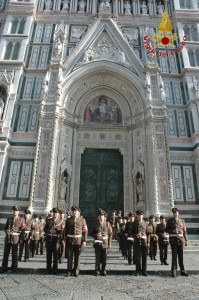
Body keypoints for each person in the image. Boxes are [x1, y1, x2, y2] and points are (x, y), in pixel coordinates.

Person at [65, 205, 87, 276]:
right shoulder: (68, 220)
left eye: (76, 211)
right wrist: (63, 239)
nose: (74, 212)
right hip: (70, 240)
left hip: (78, 240)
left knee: (77, 256)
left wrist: (84, 240)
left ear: (79, 212)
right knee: (69, 255)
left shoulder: (82, 220)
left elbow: (85, 231)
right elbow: (65, 230)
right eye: (73, 211)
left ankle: (76, 270)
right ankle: (69, 270)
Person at [165, 207, 188, 277]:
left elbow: (184, 231)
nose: (175, 214)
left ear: (178, 213)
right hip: (173, 240)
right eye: (174, 213)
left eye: (176, 213)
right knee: (174, 256)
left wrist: (186, 240)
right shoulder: (169, 221)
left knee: (181, 256)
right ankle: (174, 270)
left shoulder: (182, 221)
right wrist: (172, 231)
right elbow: (166, 230)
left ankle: (182, 270)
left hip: (181, 240)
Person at [90, 209, 112, 276]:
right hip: (97, 242)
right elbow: (91, 233)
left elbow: (110, 233)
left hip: (105, 242)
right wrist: (95, 235)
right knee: (97, 257)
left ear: (104, 216)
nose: (101, 217)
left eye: (102, 215)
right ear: (98, 217)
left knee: (104, 258)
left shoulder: (108, 224)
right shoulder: (95, 223)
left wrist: (109, 243)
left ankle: (103, 270)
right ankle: (97, 270)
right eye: (100, 215)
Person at [2, 206, 24, 273]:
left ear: (18, 212)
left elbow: (23, 230)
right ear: (12, 211)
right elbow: (5, 228)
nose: (15, 212)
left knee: (14, 254)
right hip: (8, 238)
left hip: (15, 239)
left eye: (16, 211)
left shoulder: (21, 220)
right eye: (14, 210)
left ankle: (14, 267)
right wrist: (6, 231)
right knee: (6, 254)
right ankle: (4, 267)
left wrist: (21, 239)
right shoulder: (9, 219)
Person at [44, 207, 65, 274]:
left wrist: (56, 232)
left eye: (56, 213)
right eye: (54, 213)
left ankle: (55, 269)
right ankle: (48, 268)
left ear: (58, 214)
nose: (55, 214)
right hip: (49, 239)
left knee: (55, 255)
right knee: (49, 255)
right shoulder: (49, 220)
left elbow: (62, 231)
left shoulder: (61, 221)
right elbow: (45, 229)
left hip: (56, 240)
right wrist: (49, 230)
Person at [131, 209, 149, 276]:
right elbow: (131, 232)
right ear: (136, 216)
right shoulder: (134, 223)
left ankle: (144, 270)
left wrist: (148, 242)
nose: (139, 216)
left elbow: (148, 233)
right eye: (138, 215)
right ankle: (138, 270)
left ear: (142, 215)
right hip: (137, 241)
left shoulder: (146, 223)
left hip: (144, 241)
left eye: (141, 215)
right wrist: (136, 235)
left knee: (144, 256)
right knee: (138, 257)